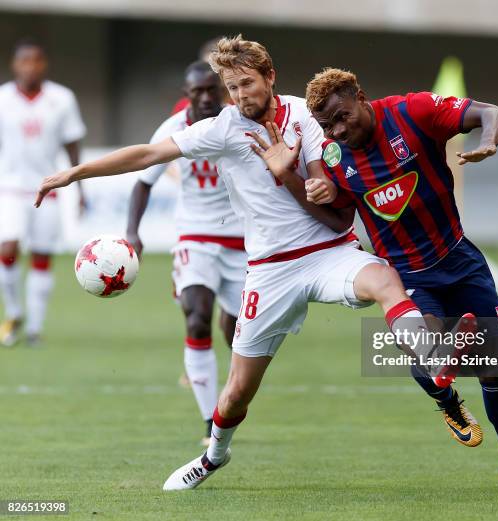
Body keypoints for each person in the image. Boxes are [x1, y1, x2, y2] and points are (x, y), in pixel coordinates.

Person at [34, 35, 439, 491]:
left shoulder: (304, 114)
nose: (240, 94)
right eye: (232, 86)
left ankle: (435, 364)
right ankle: (214, 455)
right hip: (269, 270)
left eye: (247, 82)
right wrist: (75, 173)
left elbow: (331, 189)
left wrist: (308, 181)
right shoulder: (223, 129)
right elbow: (149, 155)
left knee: (385, 279)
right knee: (237, 392)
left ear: (270, 77)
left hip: (329, 252)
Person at [302, 67, 498, 493]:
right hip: (407, 275)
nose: (338, 130)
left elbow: (493, 112)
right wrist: (315, 194)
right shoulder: (333, 158)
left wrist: (488, 139)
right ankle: (447, 400)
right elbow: (341, 217)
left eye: (343, 116)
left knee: (494, 369)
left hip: (458, 258)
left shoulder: (413, 112)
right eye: (328, 125)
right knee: (424, 345)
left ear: (360, 96)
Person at [126, 61, 246, 446]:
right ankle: (210, 422)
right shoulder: (174, 128)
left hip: (244, 240)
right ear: (188, 94)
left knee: (237, 335)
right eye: (199, 92)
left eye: (213, 90)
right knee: (197, 319)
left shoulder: (237, 121)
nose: (207, 98)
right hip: (195, 236)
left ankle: (229, 400)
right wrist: (133, 233)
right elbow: (143, 182)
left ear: (223, 91)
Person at [0, 38, 86, 347]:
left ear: (44, 64)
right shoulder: (3, 99)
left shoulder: (62, 99)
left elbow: (72, 143)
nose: (30, 66)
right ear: (14, 64)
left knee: (41, 256)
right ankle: (13, 312)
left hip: (47, 187)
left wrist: (79, 188)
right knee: (7, 247)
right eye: (24, 60)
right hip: (9, 187)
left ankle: (35, 328)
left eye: (36, 60)